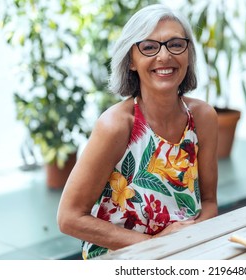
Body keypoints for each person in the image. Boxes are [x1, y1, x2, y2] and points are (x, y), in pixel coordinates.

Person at [57, 4, 218, 260]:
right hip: (120, 259)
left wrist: (189, 240)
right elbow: (69, 218)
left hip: (185, 254)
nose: (164, 56)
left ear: (188, 53)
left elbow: (209, 202)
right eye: (149, 47)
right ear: (131, 60)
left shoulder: (203, 117)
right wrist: (156, 246)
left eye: (176, 44)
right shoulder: (116, 125)